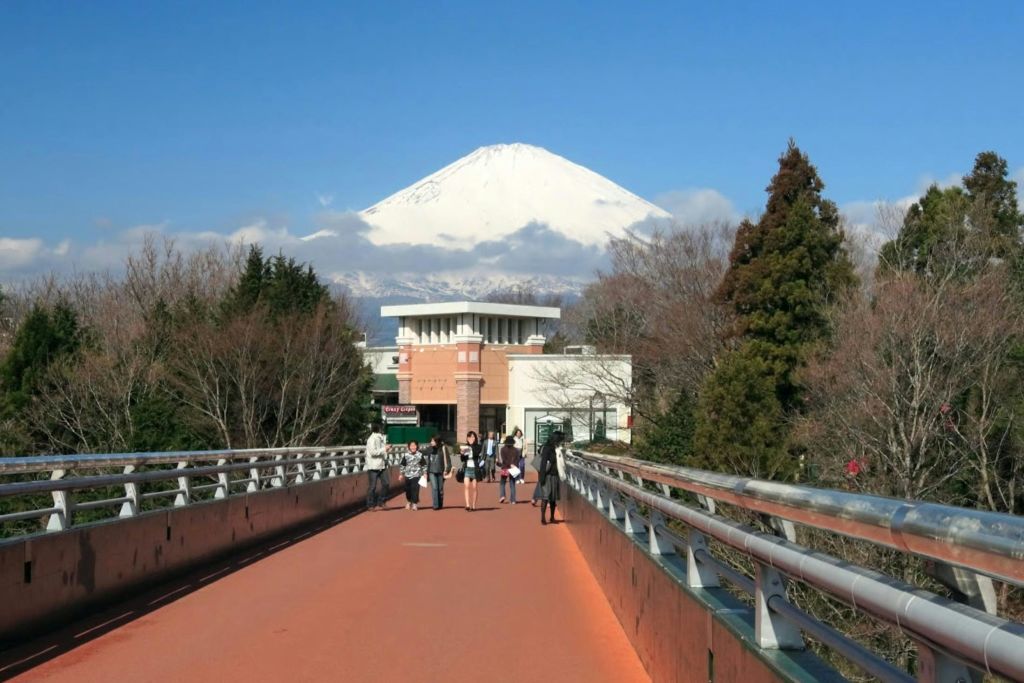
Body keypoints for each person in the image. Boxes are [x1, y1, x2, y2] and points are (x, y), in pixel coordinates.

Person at [537, 431, 565, 525]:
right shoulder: (547, 448)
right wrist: (542, 477)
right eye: (559, 441)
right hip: (547, 475)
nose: (561, 442)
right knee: (545, 497)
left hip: (555, 475)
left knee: (553, 498)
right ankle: (542, 518)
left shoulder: (557, 449)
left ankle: (552, 517)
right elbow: (543, 463)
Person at [365, 423, 389, 511]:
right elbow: (373, 452)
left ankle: (381, 501)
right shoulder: (372, 439)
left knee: (386, 483)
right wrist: (384, 449)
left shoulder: (381, 438)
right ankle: (370, 504)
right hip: (373, 466)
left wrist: (387, 450)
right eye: (381, 428)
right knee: (372, 486)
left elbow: (382, 451)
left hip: (382, 465)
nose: (383, 430)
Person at [425, 434, 452, 510]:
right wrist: (414, 448)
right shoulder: (429, 449)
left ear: (437, 441)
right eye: (431, 441)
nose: (431, 442)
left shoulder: (443, 448)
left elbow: (448, 460)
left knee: (440, 489)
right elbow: (422, 452)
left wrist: (446, 470)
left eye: (433, 441)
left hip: (441, 471)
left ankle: (440, 504)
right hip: (431, 471)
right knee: (434, 488)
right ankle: (435, 505)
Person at [398, 440, 426, 511]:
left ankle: (414, 504)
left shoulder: (420, 455)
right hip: (408, 475)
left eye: (414, 445)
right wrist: (401, 474)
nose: (413, 447)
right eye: (411, 446)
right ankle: (409, 501)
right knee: (408, 490)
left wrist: (425, 473)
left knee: (415, 489)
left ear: (417, 446)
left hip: (417, 475)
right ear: (409, 447)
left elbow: (424, 464)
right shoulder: (406, 455)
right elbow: (403, 465)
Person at [461, 430, 482, 511]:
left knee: (474, 488)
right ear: (467, 438)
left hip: (475, 469)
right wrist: (462, 453)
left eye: (473, 437)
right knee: (466, 486)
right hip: (467, 468)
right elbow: (462, 459)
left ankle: (473, 505)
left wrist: (471, 448)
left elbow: (477, 454)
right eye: (470, 437)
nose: (471, 438)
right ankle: (467, 504)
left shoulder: (477, 446)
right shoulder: (465, 446)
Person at [498, 435, 519, 504]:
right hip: (513, 468)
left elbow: (504, 459)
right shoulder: (516, 450)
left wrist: (509, 464)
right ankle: (513, 500)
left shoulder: (503, 449)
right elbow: (517, 460)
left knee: (502, 483)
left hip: (505, 467)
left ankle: (502, 495)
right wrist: (514, 465)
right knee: (512, 483)